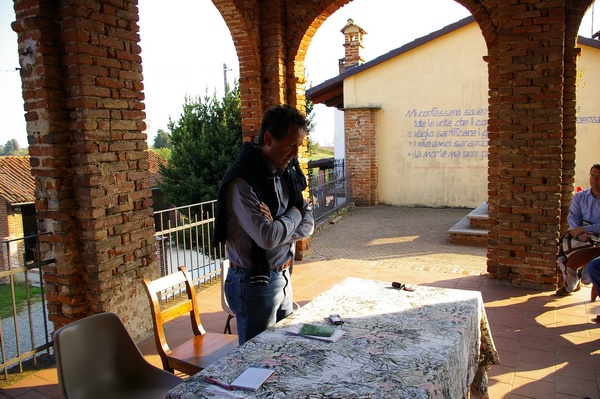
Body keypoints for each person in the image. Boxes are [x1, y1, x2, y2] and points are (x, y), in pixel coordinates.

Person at [213, 104, 314, 344]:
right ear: (268, 138)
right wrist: (294, 214)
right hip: (254, 284)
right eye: (290, 145)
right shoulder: (242, 181)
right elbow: (267, 238)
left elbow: (308, 223)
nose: (295, 154)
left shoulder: (284, 170)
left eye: (298, 146)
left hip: (283, 276)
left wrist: (281, 223)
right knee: (256, 359)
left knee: (282, 350)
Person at [556, 163, 600, 296]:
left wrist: (584, 228)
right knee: (564, 255)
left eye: (599, 176)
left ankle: (586, 276)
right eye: (592, 175)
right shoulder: (580, 197)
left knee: (590, 264)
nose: (595, 179)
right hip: (580, 236)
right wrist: (580, 234)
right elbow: (573, 218)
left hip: (597, 237)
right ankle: (572, 284)